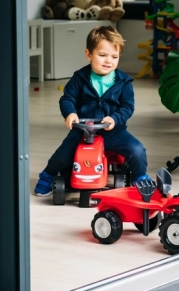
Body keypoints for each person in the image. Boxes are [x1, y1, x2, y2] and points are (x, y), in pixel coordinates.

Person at [34, 26, 149, 196]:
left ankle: (140, 177)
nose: (108, 61)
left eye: (114, 56)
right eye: (102, 55)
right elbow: (67, 98)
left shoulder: (124, 82)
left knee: (137, 150)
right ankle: (47, 175)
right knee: (63, 154)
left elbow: (127, 107)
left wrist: (115, 119)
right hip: (82, 130)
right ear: (88, 54)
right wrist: (70, 113)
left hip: (113, 131)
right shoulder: (80, 78)